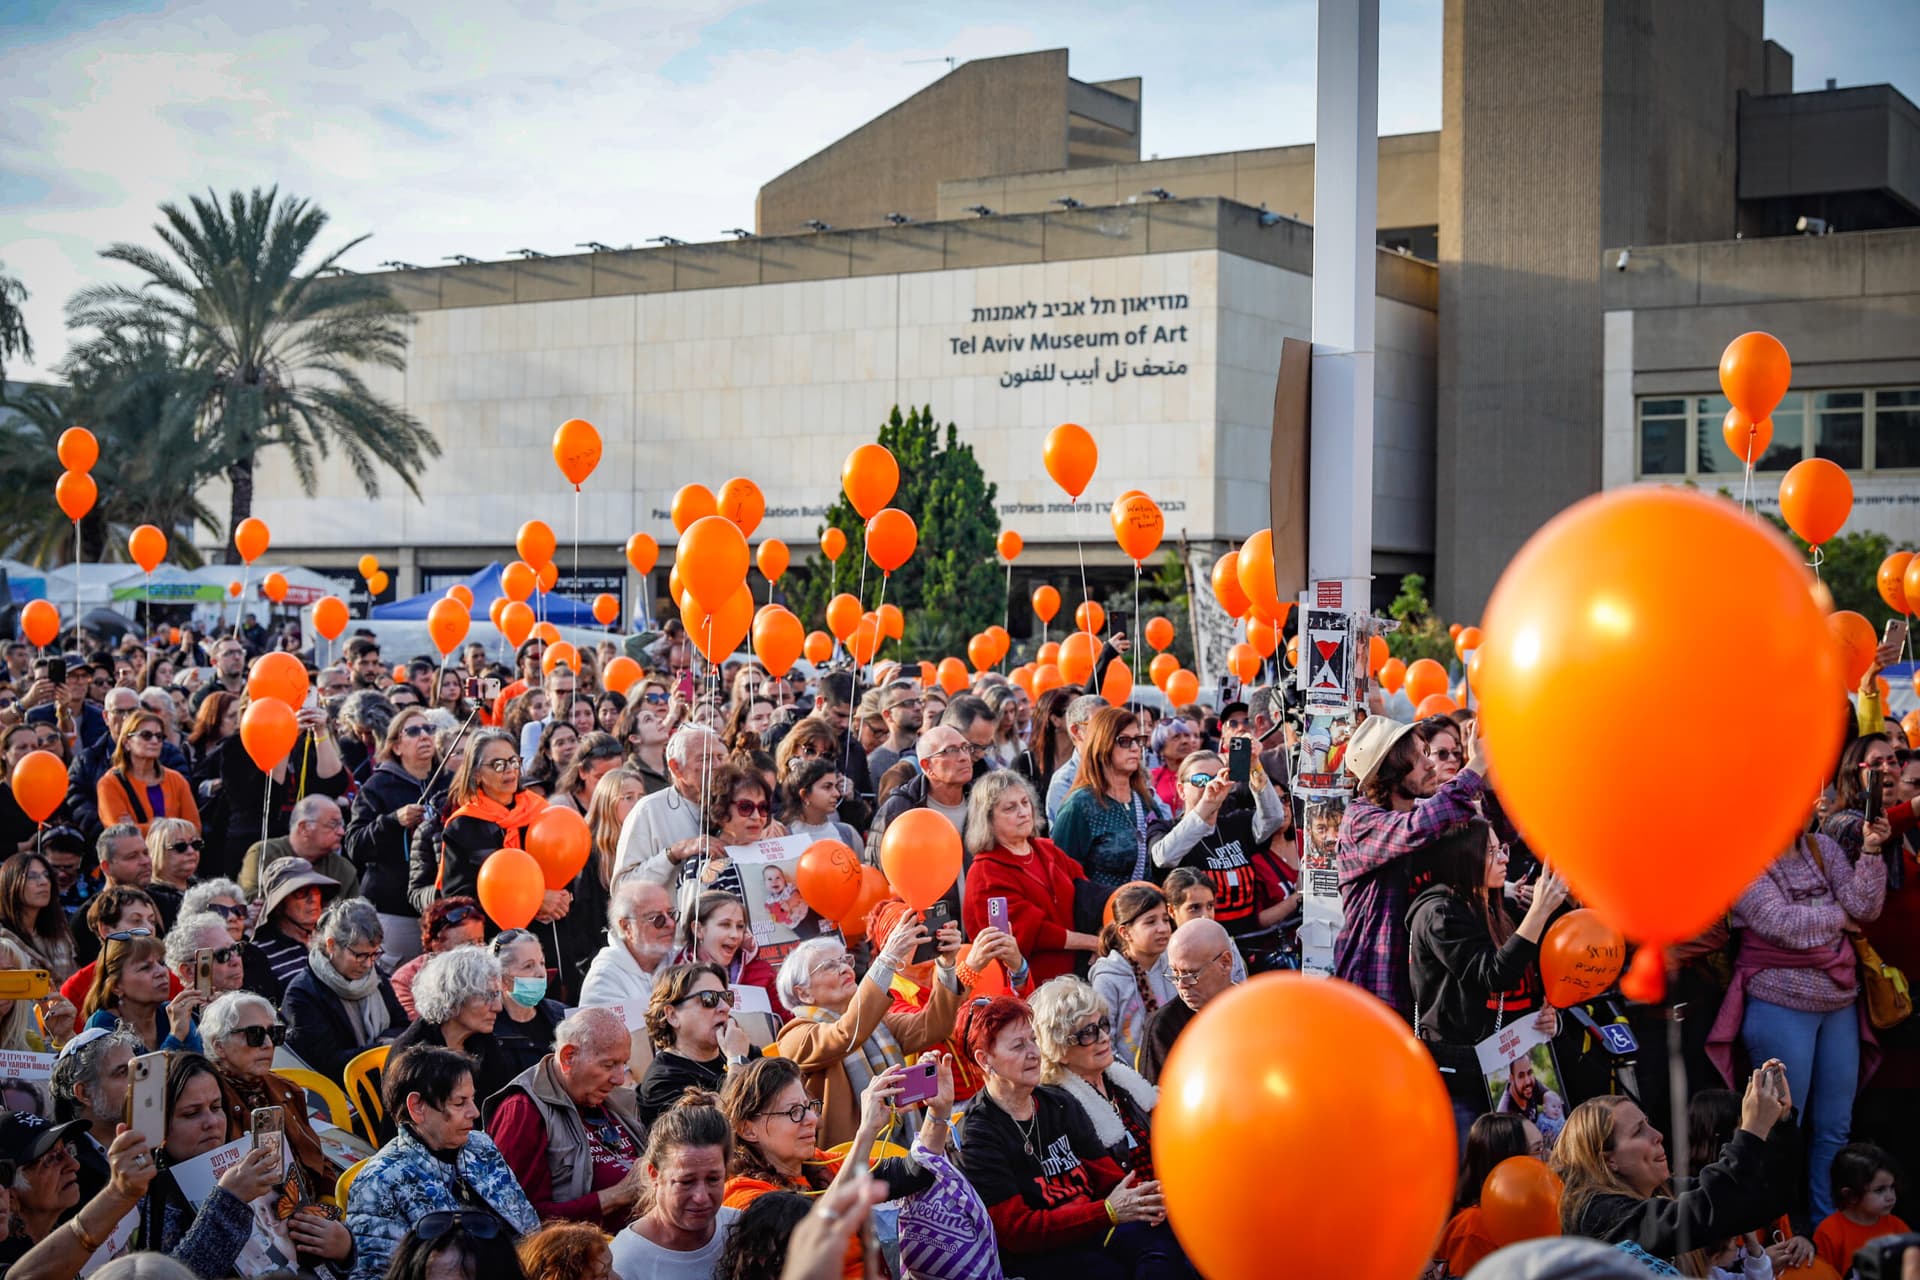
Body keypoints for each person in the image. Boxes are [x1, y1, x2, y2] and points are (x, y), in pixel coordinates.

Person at [1708, 820, 1887, 1221]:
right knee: (1781, 1128)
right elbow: (1782, 924)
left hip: (1839, 1002)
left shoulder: (1822, 847)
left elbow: (1866, 907)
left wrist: (1872, 851)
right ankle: (1782, 1232)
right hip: (1779, 1004)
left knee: (1835, 1129)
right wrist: (1838, 919)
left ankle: (1824, 1231)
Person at [957, 995, 1190, 1277]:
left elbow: (1111, 1179)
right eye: (1019, 1045)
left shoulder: (1058, 1103)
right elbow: (1018, 1231)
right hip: (1042, 1257)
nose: (1033, 1052)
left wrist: (1156, 1199)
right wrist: (1106, 1212)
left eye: (1033, 1039)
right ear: (985, 1060)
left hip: (1095, 1232)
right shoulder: (978, 1132)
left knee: (1176, 1245)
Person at [718, 1056, 971, 1279]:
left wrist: (938, 1113)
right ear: (747, 1129)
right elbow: (815, 1233)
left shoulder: (819, 1164)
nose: (813, 1121)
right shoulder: (741, 1195)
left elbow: (914, 1172)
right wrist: (866, 1132)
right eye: (794, 1112)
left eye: (810, 1107)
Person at [1408, 819, 1570, 1139]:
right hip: (1462, 1076)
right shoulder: (1439, 913)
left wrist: (1549, 1019)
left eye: (1503, 849)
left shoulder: (1497, 909)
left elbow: (1526, 987)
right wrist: (1538, 911)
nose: (1504, 859)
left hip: (1508, 1066)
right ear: (1461, 858)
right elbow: (1492, 974)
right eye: (1491, 852)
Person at [1553, 1065, 1796, 1259]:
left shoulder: (1660, 1190)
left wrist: (1779, 1122)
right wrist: (1751, 1131)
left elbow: (1762, 1199)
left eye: (1648, 1123)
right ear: (1609, 1161)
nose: (1657, 1135)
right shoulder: (1597, 1215)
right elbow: (1706, 1211)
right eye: (1639, 1131)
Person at [1334, 713, 1488, 1018]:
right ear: (1389, 770)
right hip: (1372, 996)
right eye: (1417, 758)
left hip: (1419, 996)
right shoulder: (1360, 820)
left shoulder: (1422, 811)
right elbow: (1417, 826)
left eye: (1426, 752)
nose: (1430, 764)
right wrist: (1479, 764)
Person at [345, 1044, 540, 1280]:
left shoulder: (480, 1146)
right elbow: (374, 1275)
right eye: (460, 1103)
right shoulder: (379, 1182)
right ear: (417, 1107)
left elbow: (529, 1226)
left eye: (472, 1099)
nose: (475, 1112)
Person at [772, 912, 965, 1149]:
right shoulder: (794, 1036)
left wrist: (946, 965)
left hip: (902, 1153)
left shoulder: (876, 1023)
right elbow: (846, 1034)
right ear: (803, 993)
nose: (844, 968)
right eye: (830, 966)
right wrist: (887, 960)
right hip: (847, 1165)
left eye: (845, 960)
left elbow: (934, 1026)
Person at [131, 1051, 308, 1277]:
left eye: (216, 1107)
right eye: (192, 1113)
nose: (212, 1122)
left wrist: (341, 1249)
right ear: (160, 1125)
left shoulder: (246, 1166)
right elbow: (174, 1274)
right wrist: (229, 1201)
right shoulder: (149, 1198)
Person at [485, 1006, 649, 1229]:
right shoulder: (523, 1110)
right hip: (577, 1255)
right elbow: (521, 1218)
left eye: (624, 1064)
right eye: (609, 1065)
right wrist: (617, 1195)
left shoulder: (615, 1099)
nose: (620, 1079)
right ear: (568, 1057)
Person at [963, 769, 1098, 986]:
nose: (1024, 812)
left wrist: (1102, 935)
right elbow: (1033, 931)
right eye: (1010, 808)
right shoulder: (985, 872)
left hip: (1077, 976)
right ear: (987, 819)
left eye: (1025, 803)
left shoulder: (1047, 850)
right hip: (1029, 988)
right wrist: (1092, 943)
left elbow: (1090, 895)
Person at [200, 991, 334, 1194]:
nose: (268, 1044)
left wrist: (328, 1202)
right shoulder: (205, 1103)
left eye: (274, 1033)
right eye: (255, 1034)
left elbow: (316, 1157)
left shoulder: (286, 1088)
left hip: (307, 1210)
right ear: (219, 1046)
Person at [1150, 750, 1294, 937]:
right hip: (1196, 946)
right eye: (1200, 780)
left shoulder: (1236, 824)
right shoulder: (1164, 829)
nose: (1211, 785)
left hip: (1246, 944)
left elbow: (1274, 818)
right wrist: (1207, 804)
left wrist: (1255, 766)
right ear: (1181, 790)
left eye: (1219, 777)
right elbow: (1163, 858)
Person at [1031, 977, 1158, 1179]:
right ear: (1059, 1049)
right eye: (1088, 1033)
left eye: (1103, 1025)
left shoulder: (1121, 1080)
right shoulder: (1058, 1108)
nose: (1104, 1037)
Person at [436, 729, 568, 924]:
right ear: (477, 774)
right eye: (498, 764)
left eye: (514, 761)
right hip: (494, 936)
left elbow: (564, 866)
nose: (509, 770)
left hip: (548, 932)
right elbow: (458, 898)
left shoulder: (540, 811)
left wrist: (562, 899)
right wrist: (533, 900)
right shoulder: (462, 826)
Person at [607, 1090, 740, 1280]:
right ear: (655, 1175)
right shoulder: (623, 1262)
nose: (701, 1197)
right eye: (686, 1182)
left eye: (713, 1179)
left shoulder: (741, 1230)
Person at [345, 703, 439, 959]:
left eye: (429, 729)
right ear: (396, 746)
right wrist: (392, 821)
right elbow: (354, 844)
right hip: (393, 907)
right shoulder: (378, 786)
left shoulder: (447, 782)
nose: (424, 735)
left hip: (439, 905)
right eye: (414, 731)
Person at [283, 895, 406, 1080]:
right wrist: (386, 1048)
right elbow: (327, 1063)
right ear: (332, 945)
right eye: (359, 955)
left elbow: (402, 1025)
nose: (368, 964)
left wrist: (385, 1044)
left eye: (374, 955)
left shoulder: (374, 975)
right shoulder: (302, 994)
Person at [1052, 707, 1167, 895]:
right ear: (1102, 745)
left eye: (1138, 740)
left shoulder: (1145, 800)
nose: (1135, 748)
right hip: (1103, 918)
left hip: (1148, 916)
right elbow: (1061, 876)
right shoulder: (1080, 805)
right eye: (1124, 741)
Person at [392, 944, 516, 1103]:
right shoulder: (414, 1056)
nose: (498, 1007)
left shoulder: (482, 1040)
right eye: (487, 996)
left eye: (497, 994)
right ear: (452, 1000)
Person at [578, 876, 678, 1070]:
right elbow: (600, 1053)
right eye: (656, 918)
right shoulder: (604, 978)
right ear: (626, 926)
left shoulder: (682, 959)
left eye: (672, 914)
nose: (670, 924)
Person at [638, 962, 754, 1124]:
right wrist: (737, 1061)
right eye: (709, 998)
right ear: (672, 1015)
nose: (724, 1007)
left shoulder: (744, 1051)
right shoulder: (661, 1082)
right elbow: (713, 1130)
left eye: (726, 997)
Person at [1433, 1114, 1543, 1279]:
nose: (1549, 1155)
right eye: (1538, 1149)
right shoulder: (1473, 1228)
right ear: (1508, 1161)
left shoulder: (1522, 1213)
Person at [1087, 883, 1177, 1073]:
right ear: (1125, 932)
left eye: (1165, 919)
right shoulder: (1108, 978)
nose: (1162, 928)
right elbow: (1104, 1042)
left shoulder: (1176, 963)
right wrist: (1132, 1086)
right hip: (1131, 1083)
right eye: (1150, 922)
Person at [869, 725, 975, 883]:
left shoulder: (982, 804)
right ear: (927, 766)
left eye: (965, 747)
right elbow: (877, 874)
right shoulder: (900, 809)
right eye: (951, 750)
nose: (964, 757)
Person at [1139, 918, 1237, 1084]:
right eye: (1175, 974)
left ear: (1225, 963)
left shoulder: (1258, 1012)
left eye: (1191, 974)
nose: (1181, 985)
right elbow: (1154, 1102)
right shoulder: (1164, 1026)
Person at [81, 934, 205, 1053]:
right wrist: (176, 1035)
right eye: (145, 967)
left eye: (161, 963)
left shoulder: (171, 1014)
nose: (162, 971)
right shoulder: (102, 1027)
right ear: (116, 986)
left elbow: (199, 1068)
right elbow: (143, 1075)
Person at [672, 890, 784, 1020]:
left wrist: (774, 1024)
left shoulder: (763, 972)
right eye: (725, 925)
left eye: (740, 926)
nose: (735, 935)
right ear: (698, 930)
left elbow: (787, 1024)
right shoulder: (676, 977)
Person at [247, 855, 341, 998]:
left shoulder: (336, 939)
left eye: (316, 889)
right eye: (301, 892)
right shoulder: (260, 956)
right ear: (278, 905)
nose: (313, 898)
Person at [239, 792, 360, 901]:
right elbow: (249, 903)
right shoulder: (263, 854)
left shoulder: (345, 870)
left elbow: (355, 916)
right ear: (304, 828)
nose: (341, 832)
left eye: (341, 825)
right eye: (333, 824)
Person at [1813, 1142, 1909, 1274]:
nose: (1890, 1196)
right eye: (1880, 1190)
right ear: (1850, 1195)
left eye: (1892, 1187)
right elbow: (1820, 1275)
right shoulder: (1829, 1232)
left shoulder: (1897, 1226)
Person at [684, 765, 776, 905]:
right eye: (745, 807)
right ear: (720, 810)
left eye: (763, 807)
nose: (757, 816)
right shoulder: (703, 865)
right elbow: (690, 922)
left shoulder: (777, 857)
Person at [492, 927, 570, 1080]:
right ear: (502, 979)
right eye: (528, 966)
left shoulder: (562, 1015)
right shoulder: (489, 1027)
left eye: (542, 963)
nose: (541, 973)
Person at [390, 895, 486, 1019]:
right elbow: (414, 1027)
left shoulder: (492, 973)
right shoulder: (406, 979)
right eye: (468, 944)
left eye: (480, 941)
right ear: (438, 946)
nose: (477, 951)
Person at [0, 851, 76, 982]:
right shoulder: (3, 939)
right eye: (32, 876)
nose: (43, 882)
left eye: (47, 875)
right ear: (10, 883)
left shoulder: (59, 932)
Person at [779, 758, 862, 849]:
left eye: (835, 786)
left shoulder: (848, 833)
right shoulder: (784, 837)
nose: (837, 794)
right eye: (827, 787)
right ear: (804, 795)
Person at [162, 912, 244, 1003]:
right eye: (223, 955)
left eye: (236, 948)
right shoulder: (181, 1015)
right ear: (189, 971)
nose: (236, 960)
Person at [550, 732, 626, 816]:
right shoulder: (561, 809)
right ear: (582, 771)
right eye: (600, 778)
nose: (609, 784)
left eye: (615, 777)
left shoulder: (629, 800)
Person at [863, 682, 923, 781]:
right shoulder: (876, 762)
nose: (918, 707)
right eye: (908, 703)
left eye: (919, 701)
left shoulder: (930, 751)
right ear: (888, 714)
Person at [1147, 721, 1197, 818]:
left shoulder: (1202, 772)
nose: (1185, 741)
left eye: (1187, 736)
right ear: (1161, 749)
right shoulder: (1152, 777)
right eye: (1176, 737)